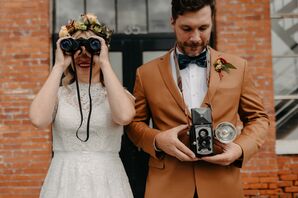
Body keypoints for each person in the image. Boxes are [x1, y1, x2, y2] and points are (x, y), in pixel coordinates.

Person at [127, 0, 269, 198]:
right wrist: (157, 139)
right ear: (172, 22)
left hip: (222, 184)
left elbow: (259, 118)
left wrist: (239, 148)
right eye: (186, 28)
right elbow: (134, 123)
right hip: (167, 186)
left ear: (211, 22)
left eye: (203, 28)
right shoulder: (145, 73)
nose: (195, 38)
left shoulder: (237, 67)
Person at [29, 13, 135, 198]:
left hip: (107, 181)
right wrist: (58, 66)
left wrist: (104, 62)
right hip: (64, 180)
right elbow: (38, 120)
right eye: (77, 47)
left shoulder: (118, 94)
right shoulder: (58, 94)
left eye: (91, 47)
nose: (83, 55)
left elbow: (124, 116)